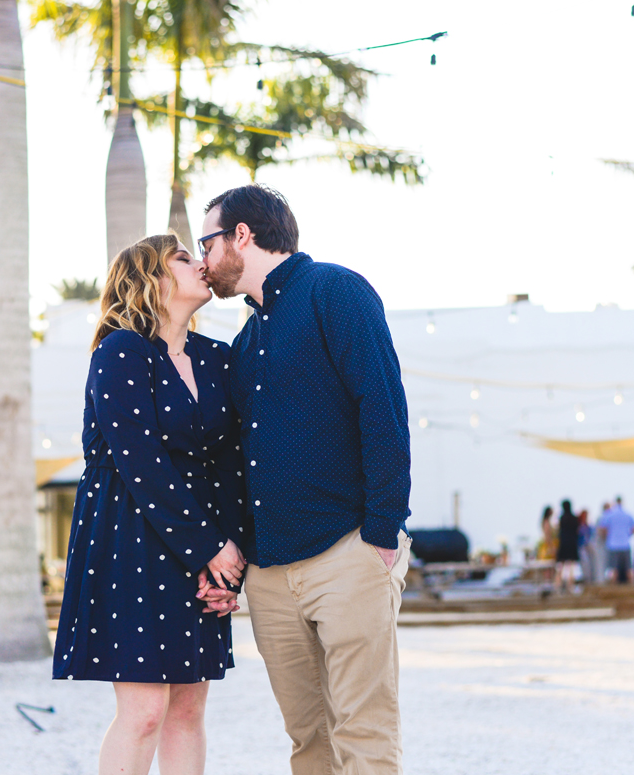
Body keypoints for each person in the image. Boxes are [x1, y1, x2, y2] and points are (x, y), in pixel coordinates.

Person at [197, 184, 412, 773]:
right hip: (271, 573)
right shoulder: (247, 340)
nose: (203, 259)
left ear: (243, 235)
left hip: (349, 553)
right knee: (307, 740)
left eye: (208, 242)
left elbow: (383, 407)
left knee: (363, 733)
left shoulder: (335, 291)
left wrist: (381, 535)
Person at [52, 234, 247, 775]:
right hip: (128, 543)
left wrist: (229, 561)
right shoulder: (120, 352)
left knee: (188, 709)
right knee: (143, 712)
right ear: (149, 280)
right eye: (183, 258)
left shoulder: (217, 359)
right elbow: (141, 463)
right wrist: (210, 547)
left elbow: (230, 466)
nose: (200, 263)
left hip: (202, 546)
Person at [597, 497, 634, 583]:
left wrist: (606, 537)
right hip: (625, 544)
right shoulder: (628, 514)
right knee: (628, 569)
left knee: (614, 569)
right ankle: (632, 587)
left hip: (612, 544)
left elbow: (602, 529)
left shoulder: (609, 514)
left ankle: (613, 589)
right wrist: (627, 535)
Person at [555, 500, 579, 592]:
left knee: (561, 566)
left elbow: (559, 532)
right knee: (571, 566)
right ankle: (570, 584)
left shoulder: (562, 518)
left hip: (564, 543)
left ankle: (558, 584)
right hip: (572, 543)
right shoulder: (574, 518)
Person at [577, 508, 597, 585]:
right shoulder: (579, 526)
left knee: (590, 564)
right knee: (585, 564)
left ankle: (591, 579)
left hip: (588, 547)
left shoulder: (588, 526)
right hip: (582, 547)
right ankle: (586, 579)